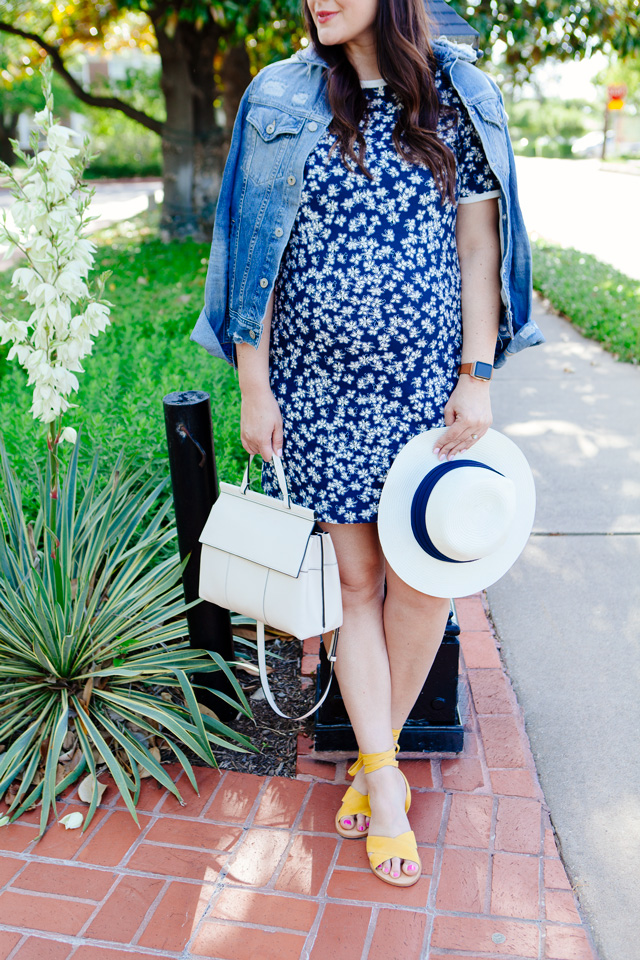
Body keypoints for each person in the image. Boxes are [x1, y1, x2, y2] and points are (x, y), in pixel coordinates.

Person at [191, 0, 544, 888]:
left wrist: (479, 374)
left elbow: (476, 247)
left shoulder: (458, 93)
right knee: (356, 584)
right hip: (317, 388)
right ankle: (383, 782)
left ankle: (373, 751)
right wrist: (253, 385)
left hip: (428, 392)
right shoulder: (279, 95)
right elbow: (249, 249)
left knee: (424, 588)